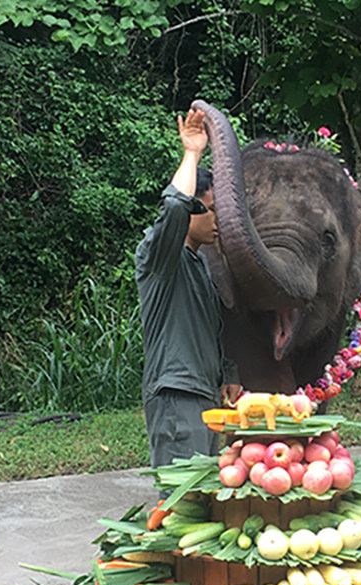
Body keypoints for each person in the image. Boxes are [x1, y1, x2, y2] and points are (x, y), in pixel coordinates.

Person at [134, 107, 241, 495]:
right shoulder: (160, 258)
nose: (218, 221)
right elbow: (175, 206)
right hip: (176, 399)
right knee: (182, 509)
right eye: (211, 210)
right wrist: (193, 154)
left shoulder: (198, 265)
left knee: (201, 509)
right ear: (195, 209)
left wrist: (227, 374)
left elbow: (208, 328)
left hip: (203, 396)